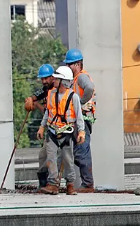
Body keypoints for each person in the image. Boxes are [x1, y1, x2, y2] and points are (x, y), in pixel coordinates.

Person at [37, 66, 85, 196]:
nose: (54, 81)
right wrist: (42, 127)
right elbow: (48, 112)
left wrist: (81, 131)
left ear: (63, 81)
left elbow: (79, 116)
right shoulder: (51, 94)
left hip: (67, 133)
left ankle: (70, 185)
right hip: (52, 132)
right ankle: (53, 184)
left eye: (57, 79)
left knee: (68, 159)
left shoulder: (73, 97)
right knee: (51, 158)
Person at [64, 48, 95, 190]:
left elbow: (90, 88)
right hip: (78, 120)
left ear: (77, 64)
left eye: (69, 64)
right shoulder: (74, 80)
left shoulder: (82, 77)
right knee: (76, 152)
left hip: (83, 119)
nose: (68, 67)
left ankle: (88, 184)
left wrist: (81, 103)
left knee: (82, 151)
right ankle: (86, 183)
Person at [24, 64, 56, 190]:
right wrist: (30, 100)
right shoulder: (45, 89)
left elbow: (47, 112)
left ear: (53, 77)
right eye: (42, 79)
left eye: (46, 78)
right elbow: (35, 95)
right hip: (50, 129)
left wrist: (37, 105)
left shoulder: (57, 91)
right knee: (43, 156)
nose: (44, 81)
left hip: (60, 130)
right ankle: (43, 184)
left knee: (54, 157)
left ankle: (54, 183)